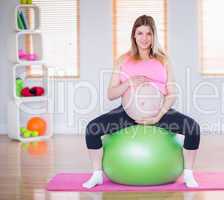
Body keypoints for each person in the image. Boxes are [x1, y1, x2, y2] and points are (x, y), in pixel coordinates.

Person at [82, 15, 200, 189]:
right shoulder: (123, 60)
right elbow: (111, 94)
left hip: (160, 112)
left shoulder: (163, 60)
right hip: (127, 113)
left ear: (154, 36)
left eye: (149, 33)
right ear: (134, 36)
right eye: (140, 33)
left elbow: (172, 93)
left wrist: (158, 115)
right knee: (92, 129)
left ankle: (189, 174)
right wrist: (130, 82)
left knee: (193, 128)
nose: (144, 38)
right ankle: (97, 174)